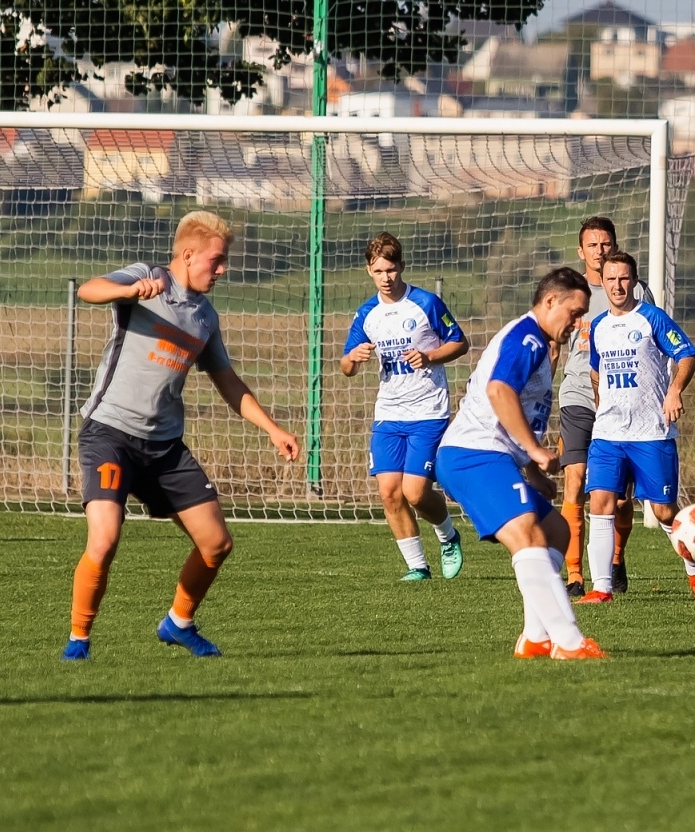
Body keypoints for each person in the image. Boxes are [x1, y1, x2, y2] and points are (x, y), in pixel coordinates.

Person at [64, 210, 300, 661]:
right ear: (188, 254)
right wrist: (129, 290)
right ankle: (79, 641)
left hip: (164, 446)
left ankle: (179, 622)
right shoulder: (145, 278)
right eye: (217, 260)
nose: (222, 269)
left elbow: (228, 381)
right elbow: (89, 289)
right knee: (105, 539)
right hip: (110, 433)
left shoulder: (205, 318)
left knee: (217, 543)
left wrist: (272, 429)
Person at [435, 267, 606, 660]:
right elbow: (499, 391)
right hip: (472, 455)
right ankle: (570, 642)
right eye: (574, 313)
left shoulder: (541, 347)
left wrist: (530, 470)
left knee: (555, 530)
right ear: (550, 302)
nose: (577, 323)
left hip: (491, 458)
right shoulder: (527, 337)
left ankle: (535, 638)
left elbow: (519, 412)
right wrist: (535, 451)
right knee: (528, 535)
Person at [576, 250, 695, 603]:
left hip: (651, 431)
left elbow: (687, 355)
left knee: (664, 511)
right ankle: (602, 588)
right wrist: (602, 404)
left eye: (624, 278)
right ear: (602, 283)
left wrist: (674, 391)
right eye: (611, 279)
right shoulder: (600, 327)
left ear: (634, 281)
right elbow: (595, 371)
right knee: (601, 503)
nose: (618, 286)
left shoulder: (651, 318)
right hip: (608, 435)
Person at [341, 232, 469, 580]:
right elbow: (346, 367)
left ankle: (447, 535)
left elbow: (460, 343)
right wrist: (353, 357)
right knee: (388, 492)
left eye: (392, 270)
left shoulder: (426, 303)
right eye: (379, 270)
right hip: (389, 414)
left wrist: (429, 356)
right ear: (369, 271)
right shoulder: (367, 314)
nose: (386, 277)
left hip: (427, 411)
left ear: (402, 267)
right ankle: (417, 567)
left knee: (414, 492)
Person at [555, 216, 655, 597]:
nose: (600, 251)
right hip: (578, 395)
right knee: (576, 479)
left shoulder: (638, 293)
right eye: (592, 245)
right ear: (581, 251)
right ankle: (576, 574)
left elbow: (655, 344)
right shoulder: (569, 291)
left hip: (622, 402)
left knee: (619, 497)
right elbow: (552, 343)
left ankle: (615, 557)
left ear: (614, 246)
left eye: (606, 244)